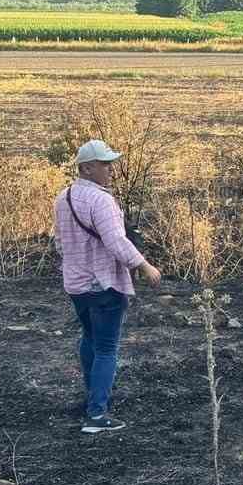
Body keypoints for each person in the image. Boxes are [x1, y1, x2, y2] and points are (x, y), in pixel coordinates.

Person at [54, 139, 162, 434]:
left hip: (76, 285)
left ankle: (92, 401)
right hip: (104, 284)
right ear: (87, 168)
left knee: (89, 339)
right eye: (104, 164)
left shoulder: (63, 197)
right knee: (106, 348)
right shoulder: (101, 200)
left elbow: (60, 243)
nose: (110, 169)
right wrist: (143, 266)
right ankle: (97, 415)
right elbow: (116, 241)